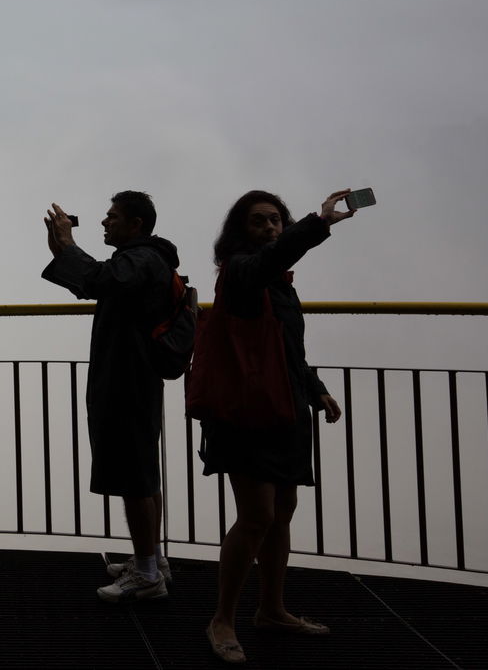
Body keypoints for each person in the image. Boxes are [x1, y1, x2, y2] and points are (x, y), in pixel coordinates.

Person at [202, 190, 351, 664]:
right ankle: (222, 619)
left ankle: (271, 609)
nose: (270, 228)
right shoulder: (242, 274)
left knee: (283, 508)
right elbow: (267, 262)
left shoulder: (280, 286)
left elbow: (288, 349)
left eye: (275, 221)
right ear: (240, 233)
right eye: (258, 222)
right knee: (257, 515)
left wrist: (316, 388)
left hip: (284, 407)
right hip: (245, 413)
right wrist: (319, 222)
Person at [43, 190, 180, 602]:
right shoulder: (144, 258)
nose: (104, 222)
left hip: (128, 378)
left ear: (135, 224)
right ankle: (151, 558)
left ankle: (146, 574)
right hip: (134, 376)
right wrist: (62, 249)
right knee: (142, 470)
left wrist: (67, 245)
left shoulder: (141, 259)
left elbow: (105, 281)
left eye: (112, 217)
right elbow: (99, 284)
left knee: (135, 475)